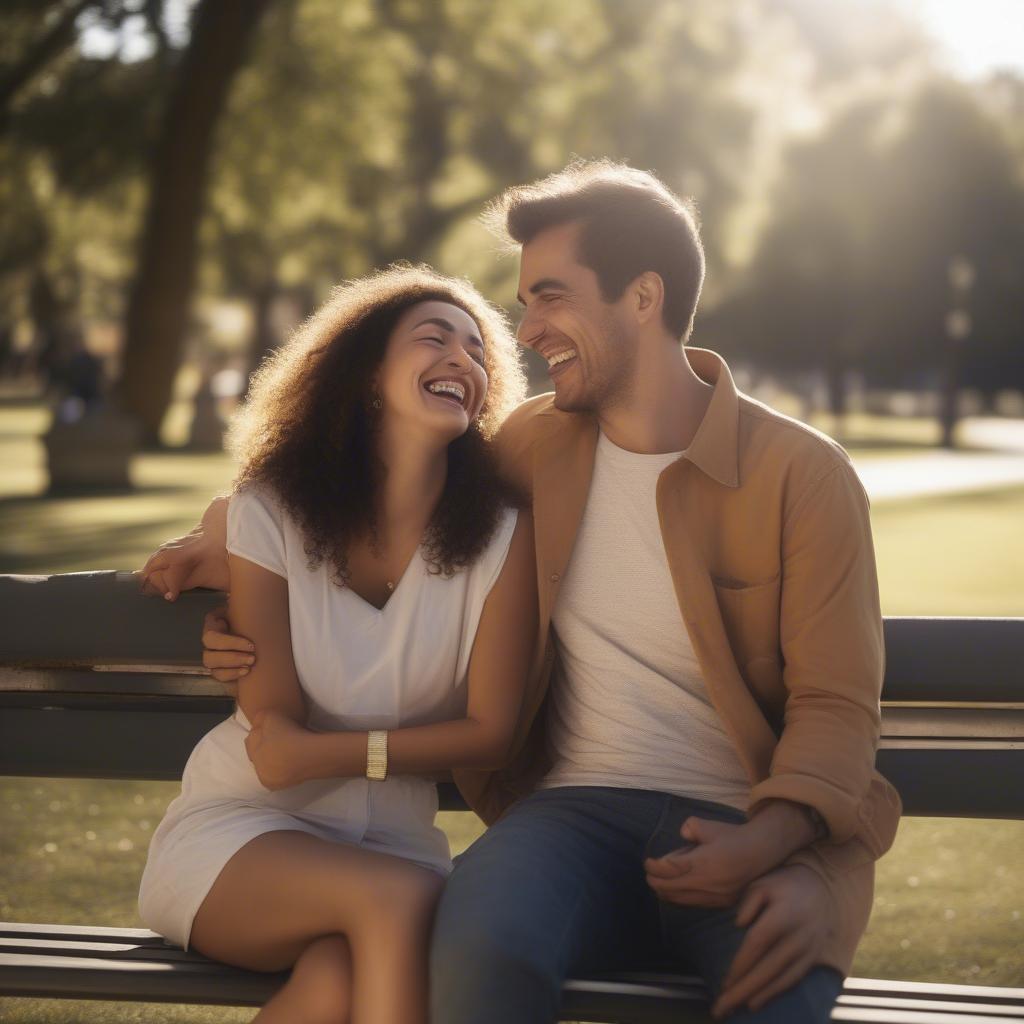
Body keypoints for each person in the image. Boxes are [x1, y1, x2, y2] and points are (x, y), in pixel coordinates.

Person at [142, 160, 902, 1023]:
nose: (526, 329)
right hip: (565, 824)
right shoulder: (529, 448)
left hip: (744, 830)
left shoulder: (801, 475)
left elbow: (838, 705)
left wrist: (785, 850)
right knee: (470, 953)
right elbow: (358, 478)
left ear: (643, 298)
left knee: (779, 1000)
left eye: (549, 297)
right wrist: (216, 542)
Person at [137, 265, 538, 1024]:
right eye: (434, 339)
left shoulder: (503, 537)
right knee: (408, 902)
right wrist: (211, 534)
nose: (464, 360)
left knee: (338, 980)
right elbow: (271, 734)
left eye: (478, 351)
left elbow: (493, 732)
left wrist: (327, 754)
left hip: (393, 845)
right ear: (366, 377)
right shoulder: (274, 508)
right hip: (243, 834)